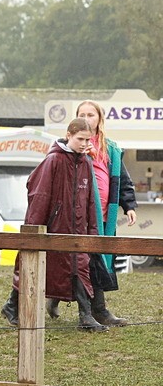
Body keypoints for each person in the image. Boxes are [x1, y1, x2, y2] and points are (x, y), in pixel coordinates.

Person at [0, 118, 112, 332]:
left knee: (79, 267)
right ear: (69, 135)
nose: (84, 144)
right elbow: (39, 194)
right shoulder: (53, 160)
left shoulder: (86, 162)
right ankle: (12, 305)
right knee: (34, 266)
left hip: (77, 229)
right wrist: (34, 228)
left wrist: (92, 231)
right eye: (80, 139)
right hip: (54, 227)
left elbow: (91, 200)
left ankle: (85, 316)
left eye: (87, 140)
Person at [45, 100, 138, 325]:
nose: (87, 118)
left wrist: (129, 206)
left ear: (99, 119)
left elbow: (122, 180)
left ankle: (63, 300)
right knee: (83, 261)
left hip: (105, 214)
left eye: (91, 115)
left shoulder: (111, 148)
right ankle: (96, 311)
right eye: (82, 114)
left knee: (97, 261)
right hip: (80, 215)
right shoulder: (71, 146)